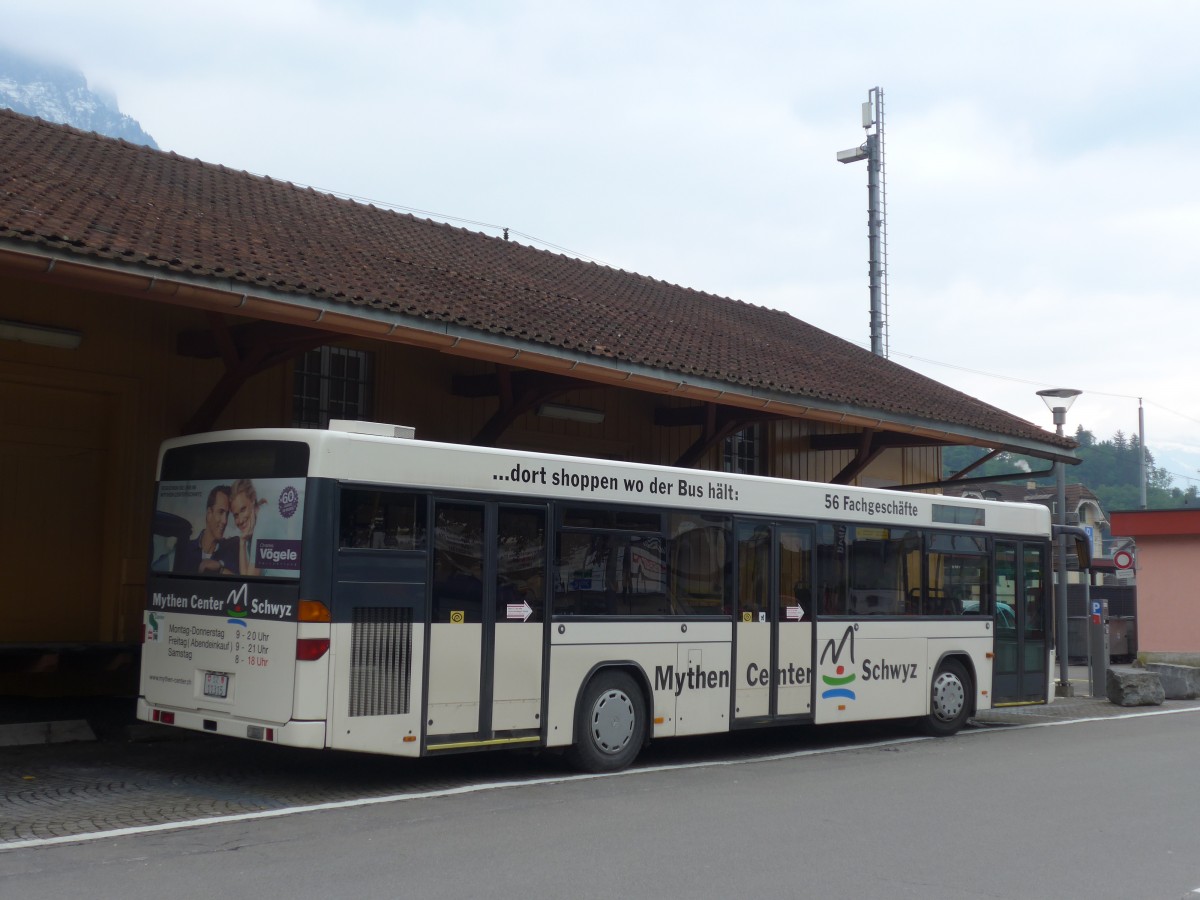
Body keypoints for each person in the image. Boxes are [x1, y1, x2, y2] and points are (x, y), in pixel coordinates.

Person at [173, 485, 239, 574]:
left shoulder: (231, 552)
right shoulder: (184, 550)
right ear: (209, 513)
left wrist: (220, 569)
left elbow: (241, 584)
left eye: (227, 514)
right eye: (220, 512)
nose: (225, 521)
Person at [230, 478, 267, 577]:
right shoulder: (249, 534)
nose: (240, 520)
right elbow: (245, 578)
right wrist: (242, 542)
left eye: (243, 509)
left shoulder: (262, 524)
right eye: (236, 515)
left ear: (253, 499)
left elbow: (249, 580)